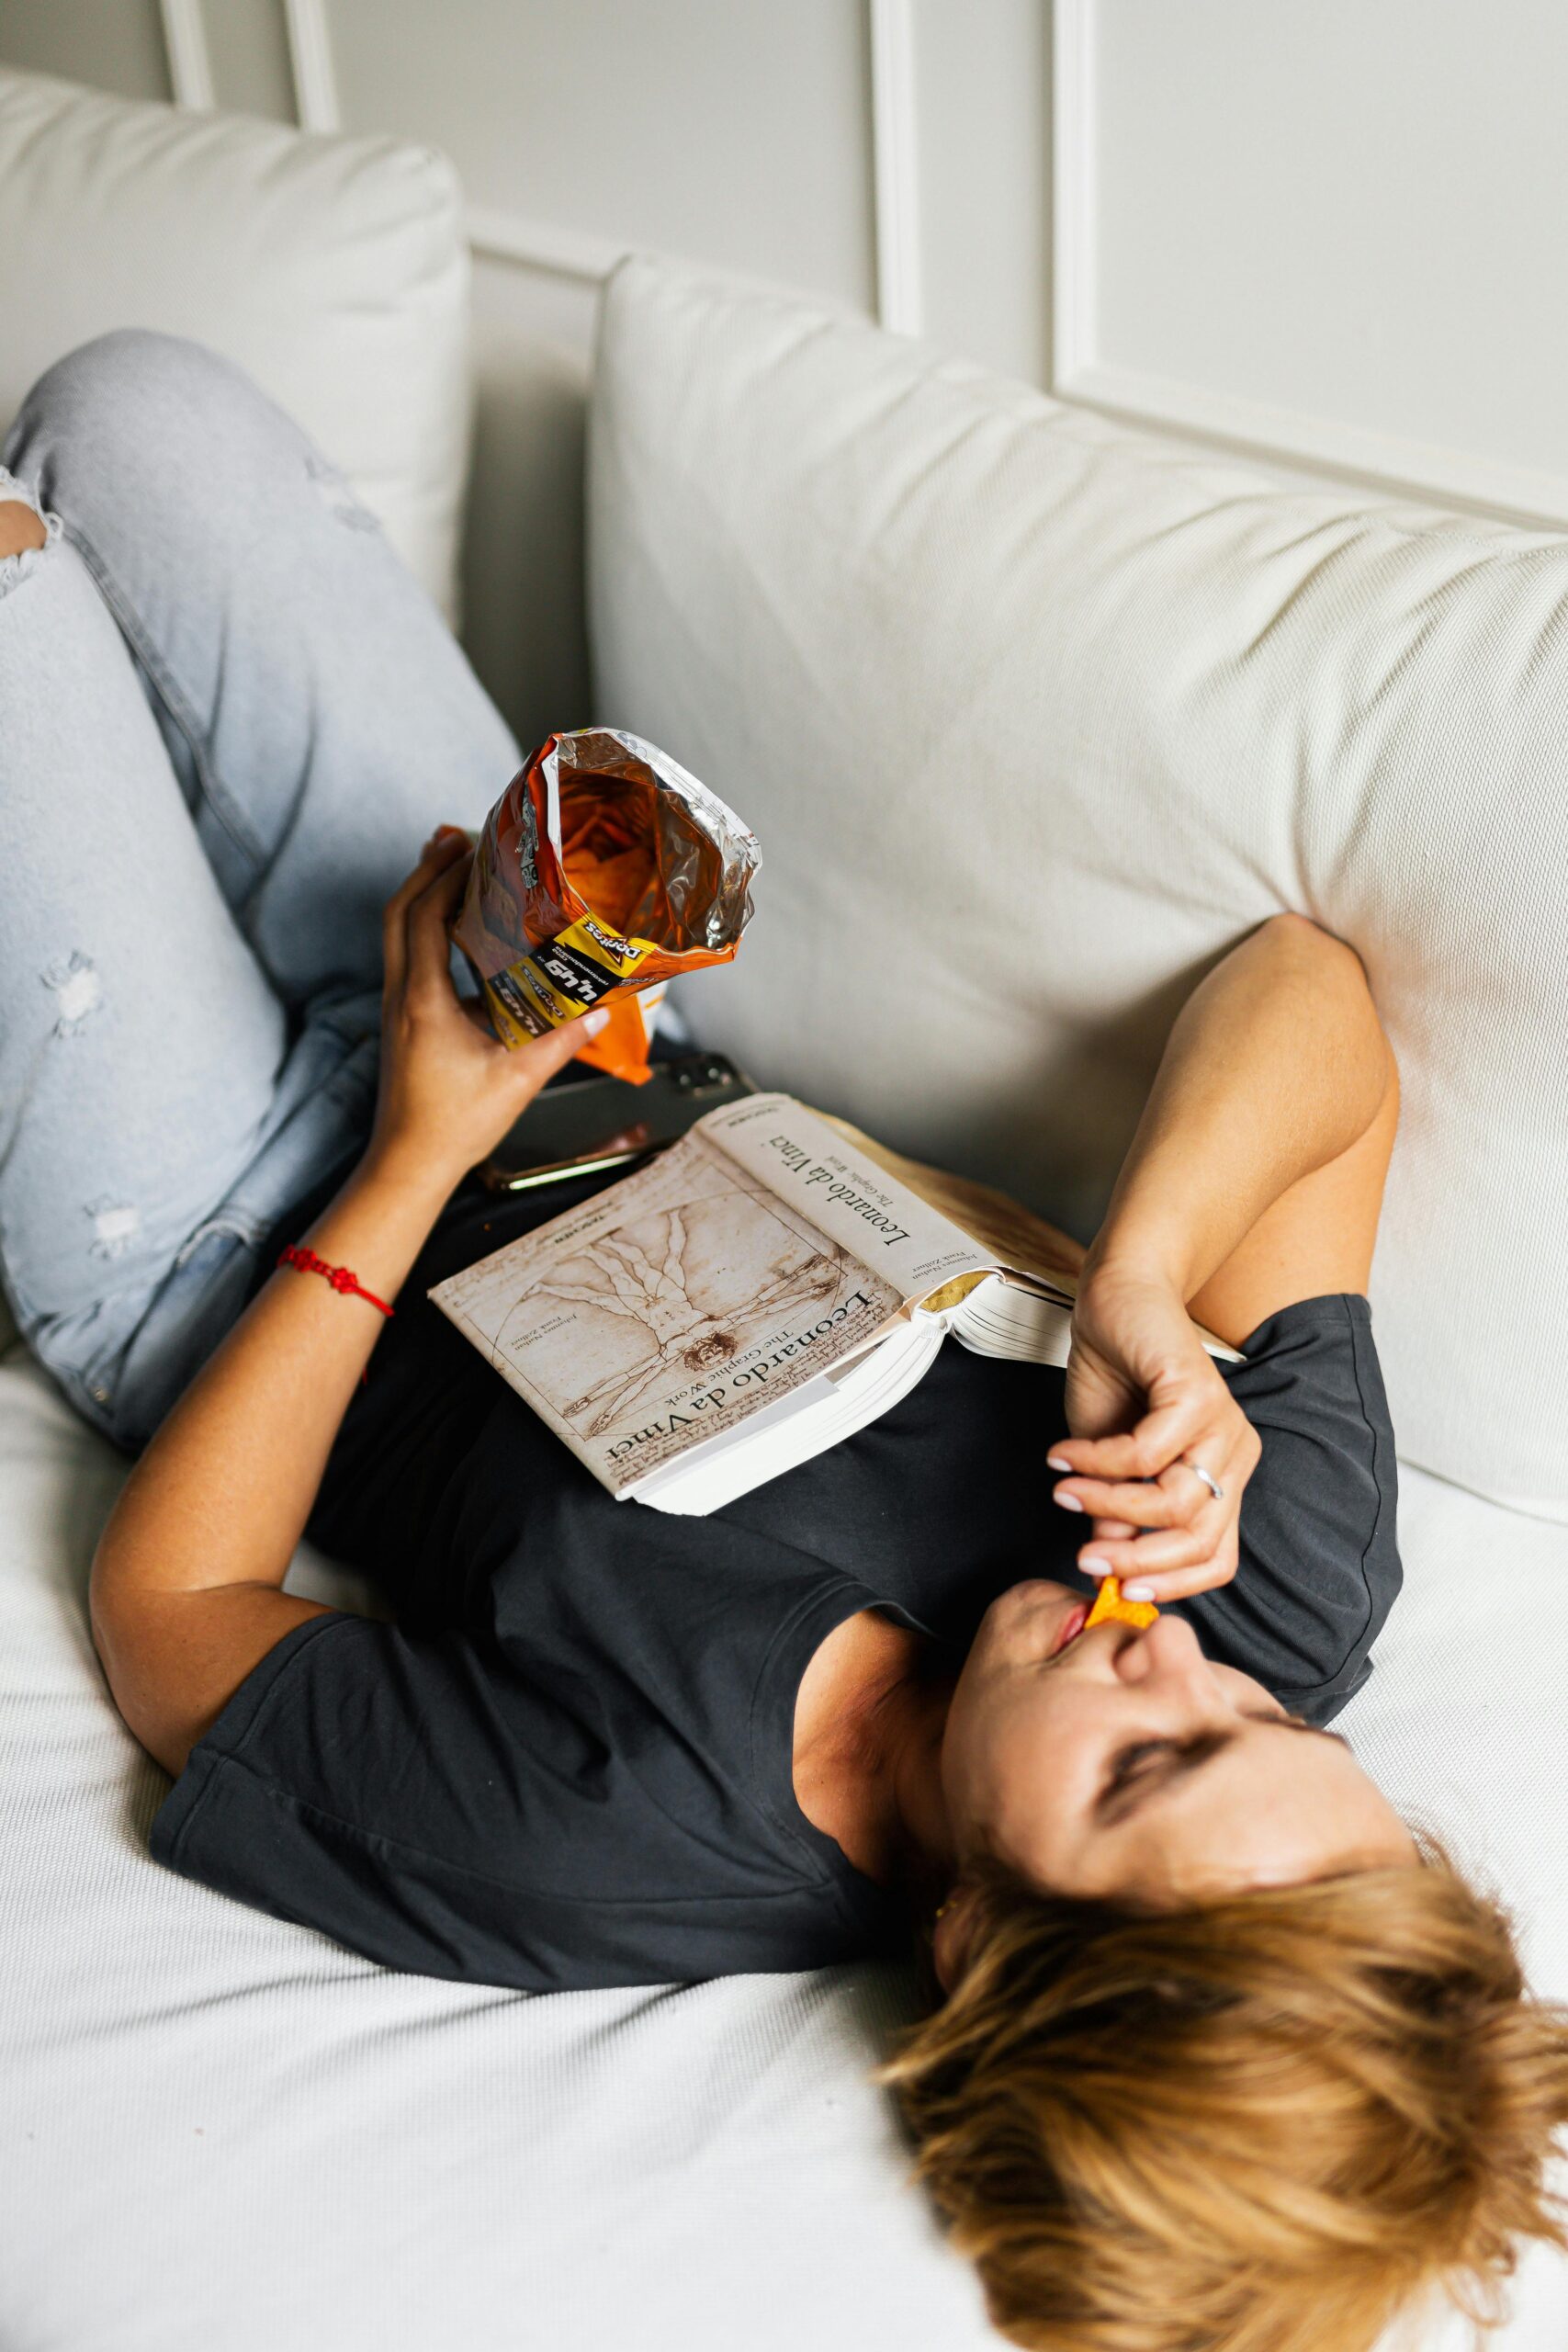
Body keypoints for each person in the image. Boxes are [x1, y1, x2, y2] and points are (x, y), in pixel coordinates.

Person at [3, 333, 1564, 2352]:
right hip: (564, 1021)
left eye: (1147, 1762)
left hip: (235, 1236)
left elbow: (170, 1603)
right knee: (142, 411)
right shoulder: (1248, 1558)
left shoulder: (608, 1835)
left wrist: (406, 1158)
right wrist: (1142, 1275)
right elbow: (1310, 993)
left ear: (971, 1929)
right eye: (1280, 1733)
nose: (1175, 1661)